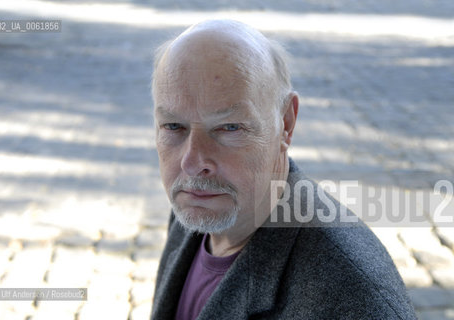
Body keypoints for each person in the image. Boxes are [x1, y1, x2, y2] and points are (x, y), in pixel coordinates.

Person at [150, 19, 416, 320]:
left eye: (229, 127)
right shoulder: (196, 206)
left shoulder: (351, 297)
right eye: (174, 126)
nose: (193, 163)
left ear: (286, 123)